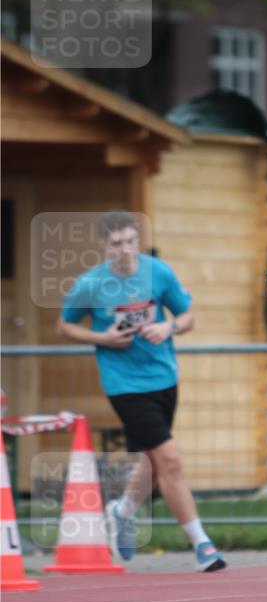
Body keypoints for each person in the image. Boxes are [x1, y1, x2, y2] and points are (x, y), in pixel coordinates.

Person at [58, 210, 226, 572]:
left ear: (139, 241)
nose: (125, 250)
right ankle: (202, 544)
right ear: (104, 246)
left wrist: (168, 328)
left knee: (151, 461)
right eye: (117, 243)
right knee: (170, 460)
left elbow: (187, 317)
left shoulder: (157, 272)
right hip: (124, 384)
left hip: (164, 377)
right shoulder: (90, 285)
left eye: (131, 242)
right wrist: (101, 338)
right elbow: (65, 326)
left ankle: (122, 510)